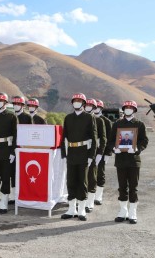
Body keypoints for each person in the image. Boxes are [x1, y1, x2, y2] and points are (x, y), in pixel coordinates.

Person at [108, 100, 148, 224]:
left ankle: (132, 212)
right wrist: (114, 149)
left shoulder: (139, 124)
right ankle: (123, 211)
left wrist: (136, 149)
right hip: (120, 160)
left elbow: (144, 141)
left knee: (133, 187)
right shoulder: (117, 124)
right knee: (122, 187)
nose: (128, 109)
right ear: (123, 109)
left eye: (131, 108)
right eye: (126, 107)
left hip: (133, 161)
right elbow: (110, 141)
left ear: (134, 110)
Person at [60, 93, 97, 221]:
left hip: (83, 153)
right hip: (71, 152)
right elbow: (63, 137)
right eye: (75, 100)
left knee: (82, 182)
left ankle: (81, 210)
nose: (76, 102)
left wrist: (91, 155)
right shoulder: (68, 118)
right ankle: (71, 209)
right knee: (71, 181)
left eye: (79, 100)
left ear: (83, 103)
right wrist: (63, 154)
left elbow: (94, 137)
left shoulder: (89, 118)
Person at [84, 98, 106, 213]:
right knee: (83, 178)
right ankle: (82, 200)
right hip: (82, 152)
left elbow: (104, 138)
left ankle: (91, 202)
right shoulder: (82, 118)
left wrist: (102, 154)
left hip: (94, 152)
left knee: (93, 177)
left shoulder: (101, 121)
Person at [10, 96, 32, 204]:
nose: (16, 106)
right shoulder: (10, 116)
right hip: (12, 149)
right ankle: (14, 195)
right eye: (14, 104)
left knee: (24, 172)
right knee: (12, 172)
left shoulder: (27, 118)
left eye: (18, 104)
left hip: (24, 149)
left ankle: (25, 193)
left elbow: (31, 134)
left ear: (23, 105)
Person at [93, 99, 113, 205]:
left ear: (101, 108)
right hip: (90, 151)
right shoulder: (89, 119)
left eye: (97, 107)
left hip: (102, 151)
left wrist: (107, 154)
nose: (95, 109)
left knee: (100, 173)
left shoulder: (106, 121)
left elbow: (109, 139)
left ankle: (98, 196)